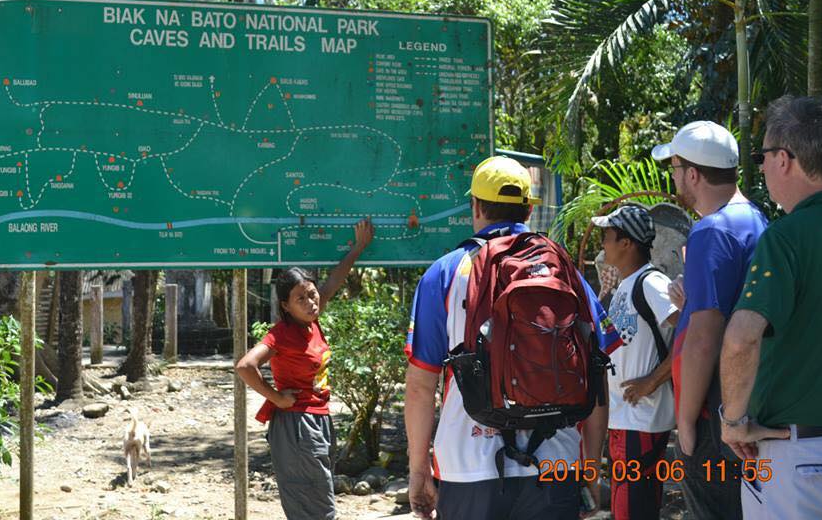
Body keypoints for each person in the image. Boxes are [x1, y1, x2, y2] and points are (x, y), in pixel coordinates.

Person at [403, 155, 617, 520]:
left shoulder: (444, 274)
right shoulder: (564, 270)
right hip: (557, 463)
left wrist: (418, 470)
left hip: (468, 465)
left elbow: (422, 385)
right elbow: (596, 375)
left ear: (476, 206)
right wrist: (590, 467)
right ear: (528, 210)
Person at [720, 96, 822, 519]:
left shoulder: (785, 238)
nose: (761, 168)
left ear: (784, 159)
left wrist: (734, 421)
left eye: (763, 156)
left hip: (800, 460)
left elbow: (742, 338)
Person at [652, 120, 768, 520]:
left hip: (714, 417)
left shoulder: (711, 231)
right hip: (747, 407)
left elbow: (705, 337)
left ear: (693, 174)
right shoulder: (754, 218)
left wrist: (684, 424)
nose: (674, 177)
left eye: (675, 168)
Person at [235, 219, 374, 520]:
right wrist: (276, 397)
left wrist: (358, 247)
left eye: (311, 294)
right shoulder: (282, 333)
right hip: (297, 425)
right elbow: (245, 366)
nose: (311, 302)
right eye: (301, 298)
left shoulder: (311, 319)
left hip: (317, 421)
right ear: (285, 306)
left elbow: (334, 280)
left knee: (317, 505)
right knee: (319, 510)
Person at [591, 205, 679, 520]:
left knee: (632, 509)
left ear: (627, 243)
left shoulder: (651, 283)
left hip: (640, 417)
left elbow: (692, 331)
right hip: (626, 417)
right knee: (631, 506)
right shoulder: (625, 286)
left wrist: (652, 380)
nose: (603, 244)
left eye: (608, 237)